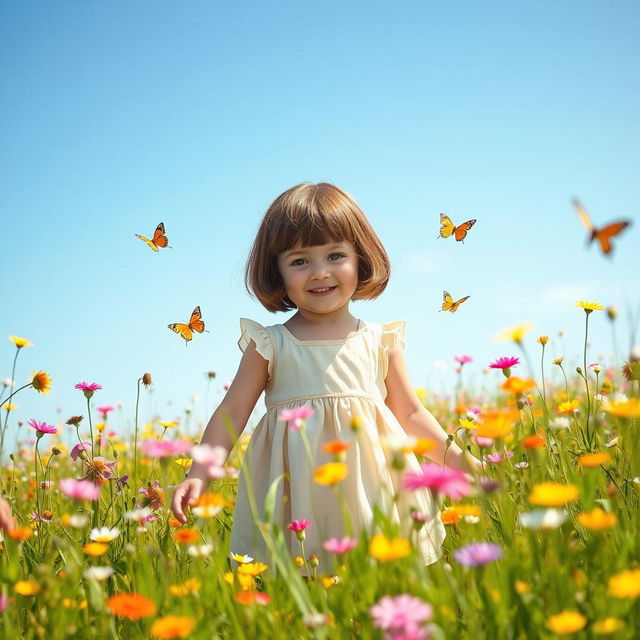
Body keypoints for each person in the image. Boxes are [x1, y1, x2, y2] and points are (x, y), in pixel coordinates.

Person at [171, 182, 480, 570]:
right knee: (302, 581)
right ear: (277, 271)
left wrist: (458, 461)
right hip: (295, 492)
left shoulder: (380, 340)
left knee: (376, 578)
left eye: (335, 255)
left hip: (373, 488)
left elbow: (411, 414)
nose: (320, 272)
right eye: (299, 261)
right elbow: (232, 412)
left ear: (360, 258)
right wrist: (199, 473)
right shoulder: (269, 343)